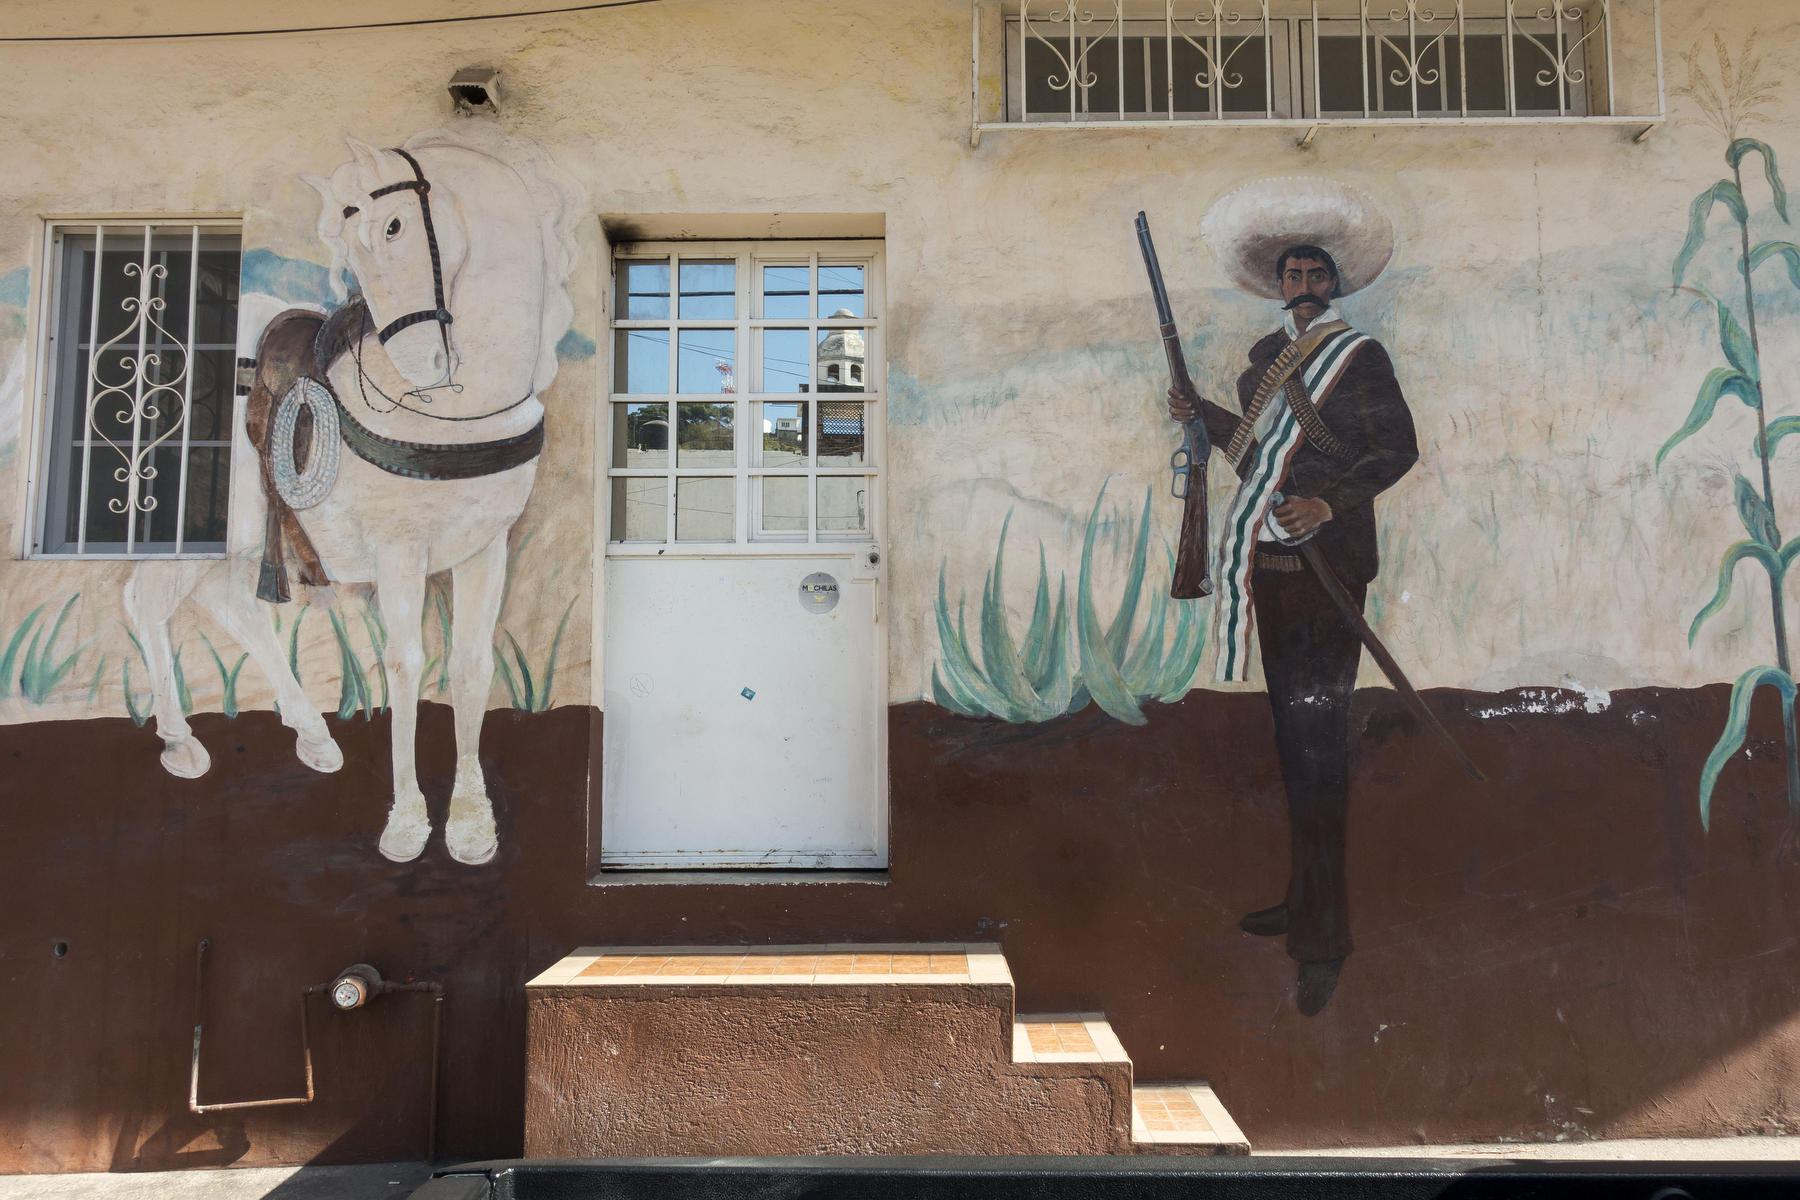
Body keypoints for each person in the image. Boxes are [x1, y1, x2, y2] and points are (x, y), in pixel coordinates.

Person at [1166, 178, 1418, 1016]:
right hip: (1272, 571)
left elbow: (1395, 449)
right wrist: (1197, 410)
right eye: (1290, 270)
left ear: (1333, 284)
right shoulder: (1257, 372)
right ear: (1278, 286)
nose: (1302, 277)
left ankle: (1324, 940)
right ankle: (1304, 902)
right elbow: (1253, 459)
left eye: (1315, 268)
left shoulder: (1360, 358)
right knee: (1293, 747)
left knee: (1322, 755)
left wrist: (1330, 502)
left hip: (1329, 566)